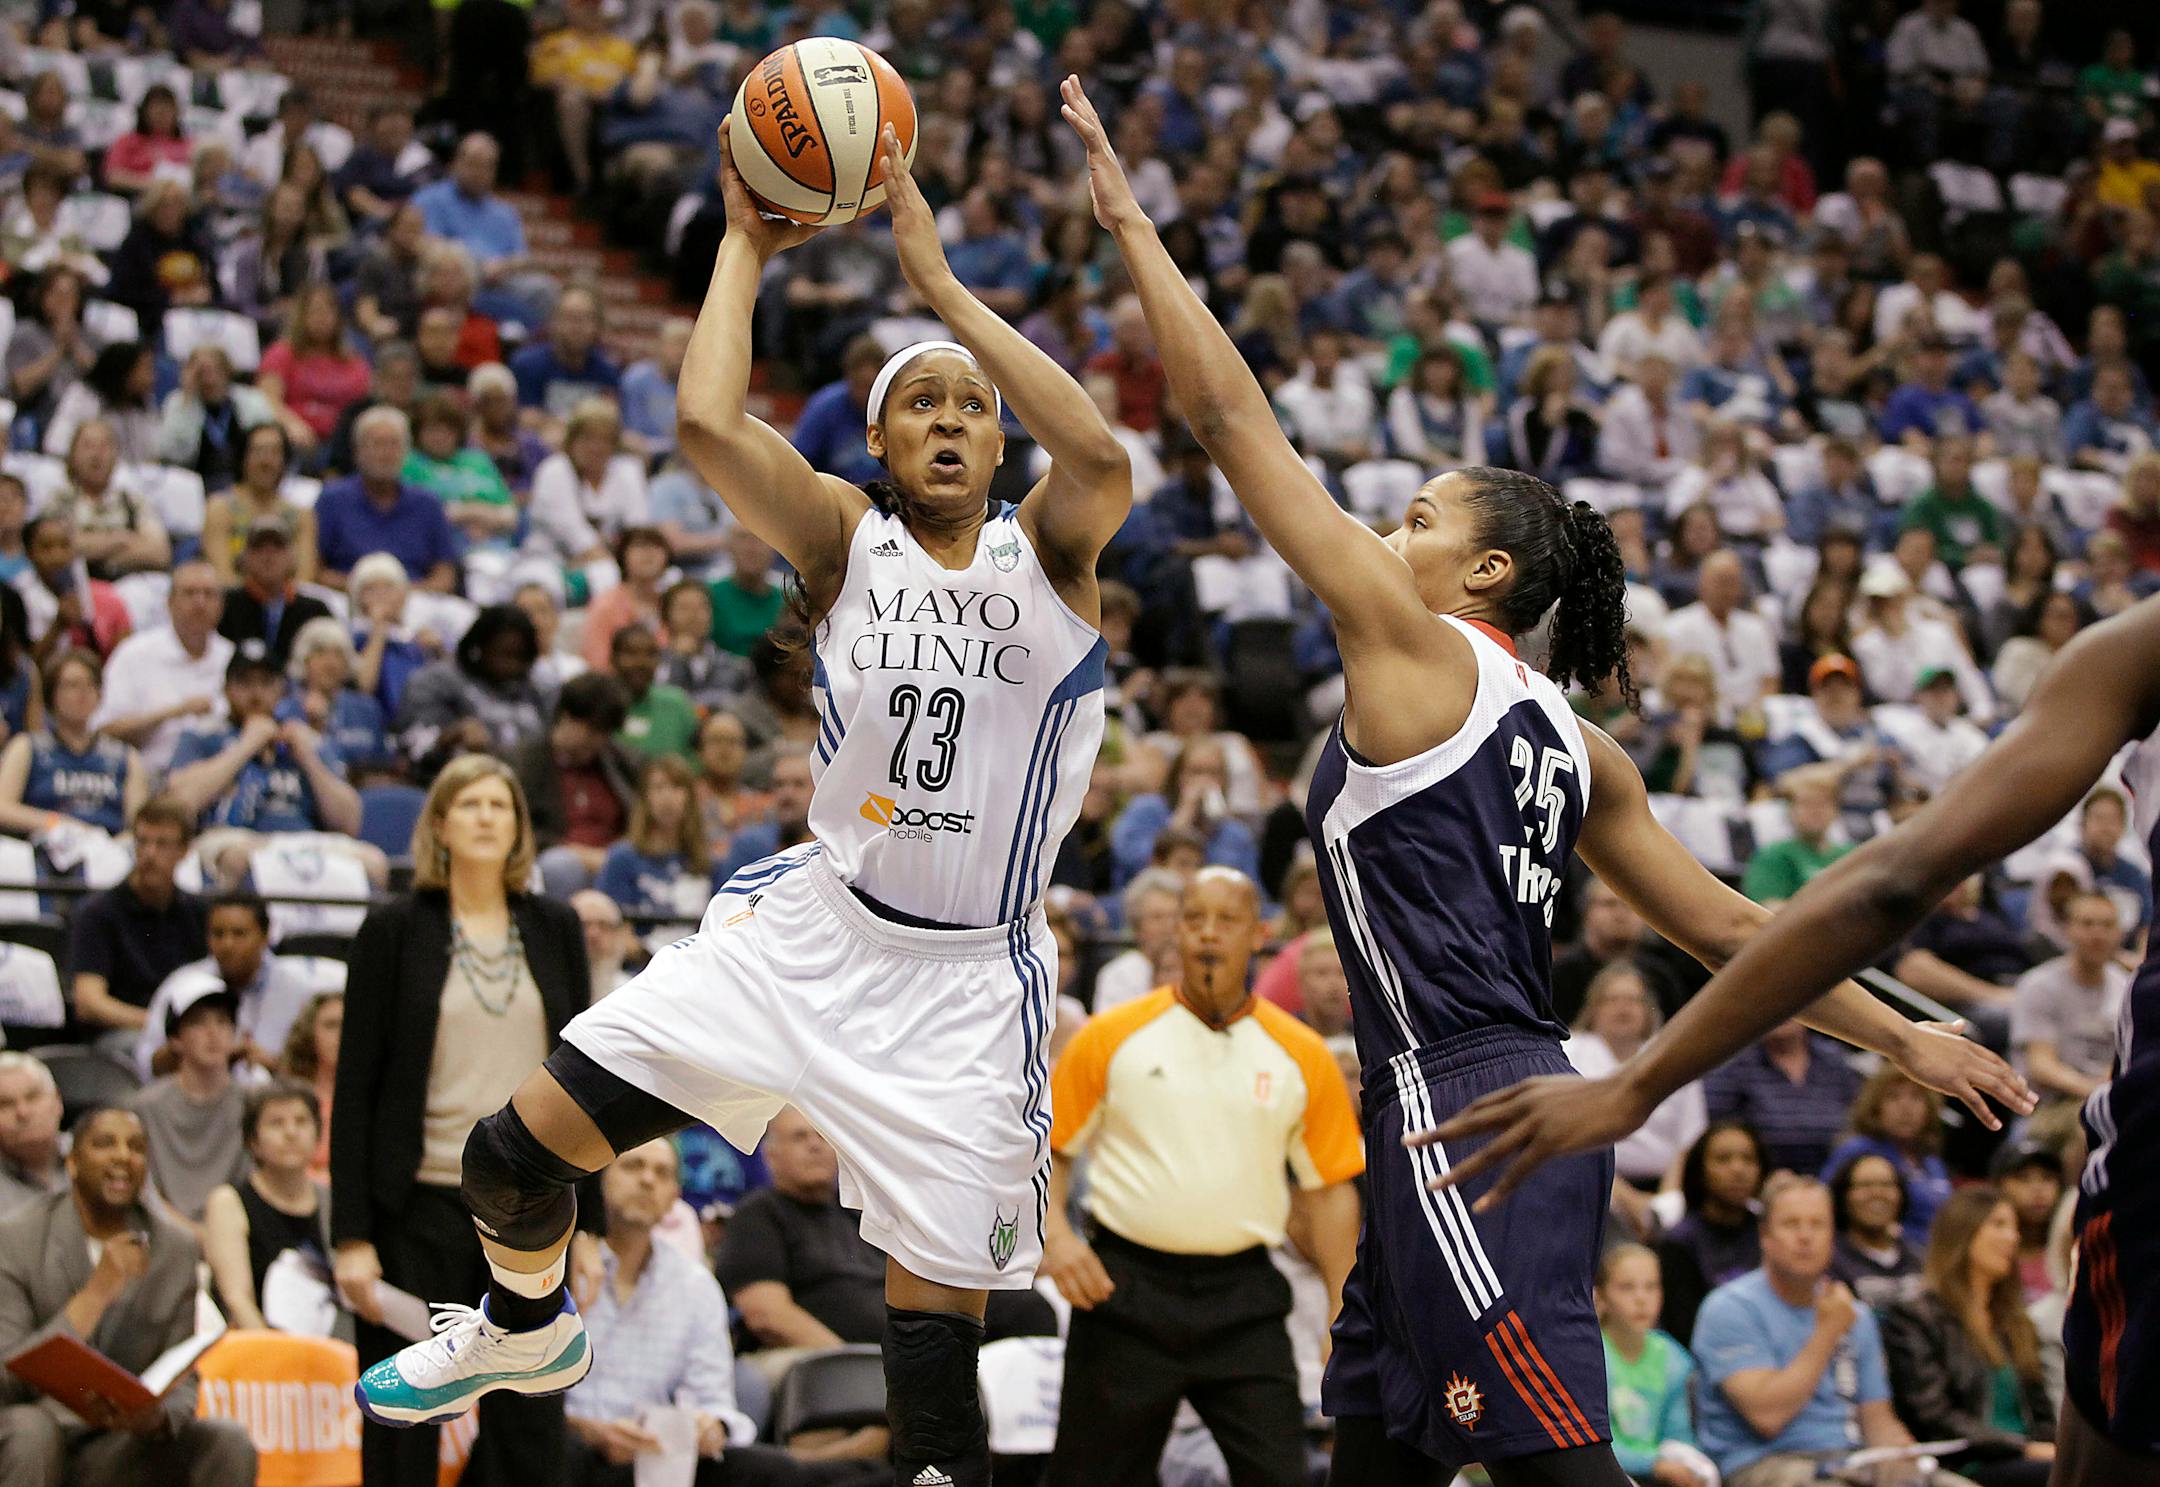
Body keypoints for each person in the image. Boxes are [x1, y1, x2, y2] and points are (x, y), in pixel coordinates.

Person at [1064, 77, 2012, 1487]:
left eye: (1422, 517)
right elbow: (1743, 934)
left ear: (1485, 575)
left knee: (1565, 1466)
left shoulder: (1408, 645)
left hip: (1467, 1113)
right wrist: (1912, 1037)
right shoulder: (1580, 739)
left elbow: (1225, 415)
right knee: (1377, 1453)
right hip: (1453, 1106)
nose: (1392, 528)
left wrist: (1130, 215)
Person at [353, 115, 1133, 1487]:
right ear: (880, 441)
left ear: (998, 439)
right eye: (923, 402)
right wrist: (741, 242)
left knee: (933, 1372)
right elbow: (708, 421)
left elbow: (1109, 456)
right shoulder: (847, 541)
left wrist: (946, 295)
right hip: (811, 934)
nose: (953, 418)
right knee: (509, 1152)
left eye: (971, 404)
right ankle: (525, 1325)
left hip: (963, 989)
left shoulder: (1049, 555)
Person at [1042, 867, 1362, 1487]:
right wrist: (1055, 1235)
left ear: (1260, 934)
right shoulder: (1110, 1036)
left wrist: (1338, 1311)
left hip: (1244, 1295)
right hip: (1123, 1288)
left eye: (1226, 920)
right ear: (1174, 937)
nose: (1208, 934)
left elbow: (1328, 1193)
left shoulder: (1302, 1053)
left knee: (1281, 1477)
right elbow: (1050, 1153)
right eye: (1193, 920)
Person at [331, 756, 589, 1485]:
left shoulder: (556, 925)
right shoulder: (393, 929)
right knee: (404, 1427)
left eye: (500, 805)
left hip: (532, 1213)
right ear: (439, 824)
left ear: (518, 828)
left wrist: (589, 1227)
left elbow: (585, 1082)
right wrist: (351, 1235)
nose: (485, 816)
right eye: (468, 803)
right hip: (415, 1209)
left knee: (531, 1426)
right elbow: (356, 1089)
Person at [566, 1137, 881, 1486]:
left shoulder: (694, 1284)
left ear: (675, 1197)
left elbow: (713, 1400)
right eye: (633, 1166)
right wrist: (589, 1432)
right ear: (600, 1180)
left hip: (655, 1455)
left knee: (773, 1471)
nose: (647, 1180)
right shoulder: (563, 1267)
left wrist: (710, 1426)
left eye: (662, 1172)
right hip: (567, 1445)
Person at [0, 1105, 258, 1487]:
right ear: (71, 1162)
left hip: (121, 1444)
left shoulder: (175, 1248)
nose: (123, 1156)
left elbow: (183, 1376)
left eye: (136, 1147)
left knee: (227, 1442)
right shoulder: (17, 1238)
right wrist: (96, 1293)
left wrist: (154, 1417)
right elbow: (5, 1376)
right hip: (36, 1433)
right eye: (105, 1144)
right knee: (31, 1430)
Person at [1690, 1175, 1954, 1487]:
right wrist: (1827, 1332)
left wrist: (1901, 1452)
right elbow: (1768, 1417)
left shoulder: (1854, 1314)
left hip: (1852, 1459)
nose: (1805, 1236)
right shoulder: (1730, 1308)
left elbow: (1876, 1418)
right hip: (1765, 1464)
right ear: (1765, 1236)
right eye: (1791, 1224)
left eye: (1817, 1225)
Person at [1882, 1187, 2057, 1487]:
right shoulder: (1916, 1317)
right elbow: (1933, 1416)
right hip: (1967, 1461)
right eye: (1998, 1224)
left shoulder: (2016, 1321)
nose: (2012, 1237)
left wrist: (2054, 1449)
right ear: (1962, 1232)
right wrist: (2023, 1448)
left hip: (2028, 1458)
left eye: (2014, 1227)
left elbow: (2041, 1412)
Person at [136, 890, 318, 1081]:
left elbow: (316, 1070)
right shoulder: (181, 985)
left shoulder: (297, 991)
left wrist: (273, 1064)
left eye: (239, 934)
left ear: (266, 935)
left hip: (275, 1099)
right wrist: (187, 1051)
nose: (227, 944)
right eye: (218, 934)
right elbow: (147, 1064)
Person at [67, 798, 207, 1044]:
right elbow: (89, 1003)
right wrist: (157, 1024)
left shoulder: (197, 913)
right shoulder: (97, 913)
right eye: (142, 842)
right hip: (120, 1035)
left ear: (184, 850)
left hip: (184, 1033)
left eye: (162, 844)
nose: (149, 854)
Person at [202, 1081, 327, 1333]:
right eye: (276, 1123)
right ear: (253, 1141)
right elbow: (237, 1299)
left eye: (301, 1121)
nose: (291, 1132)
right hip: (259, 1349)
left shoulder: (331, 1200)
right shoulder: (228, 1202)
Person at [128, 970, 250, 1227]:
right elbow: (143, 1189)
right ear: (175, 1038)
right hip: (162, 1234)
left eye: (222, 1021)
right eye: (198, 1023)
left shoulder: (253, 1103)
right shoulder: (145, 1107)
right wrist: (193, 1235)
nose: (213, 1033)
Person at [90, 560, 233, 776]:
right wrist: (174, 712)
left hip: (222, 781)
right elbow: (103, 731)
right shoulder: (135, 654)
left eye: (209, 594)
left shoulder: (232, 658)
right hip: (148, 779)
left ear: (222, 605)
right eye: (190, 593)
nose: (200, 603)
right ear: (169, 603)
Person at [0, 649, 146, 858]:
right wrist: (58, 823)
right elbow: (3, 808)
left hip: (109, 852)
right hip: (45, 851)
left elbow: (140, 822)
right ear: (53, 694)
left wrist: (117, 843)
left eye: (90, 685)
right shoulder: (27, 747)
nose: (82, 693)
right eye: (72, 685)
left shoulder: (125, 756)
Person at [513, 671, 639, 898]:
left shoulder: (620, 763)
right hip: (556, 859)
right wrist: (578, 853)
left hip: (614, 859)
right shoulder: (525, 763)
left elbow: (639, 817)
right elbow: (519, 829)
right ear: (566, 717)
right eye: (592, 731)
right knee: (560, 867)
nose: (599, 741)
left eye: (606, 734)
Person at [1594, 1245, 1710, 1487]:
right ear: (1600, 1297)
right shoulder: (1591, 1355)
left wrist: (1685, 1467)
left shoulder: (1674, 1357)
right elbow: (1594, 1443)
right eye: (1627, 1287)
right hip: (1606, 1469)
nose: (1641, 1298)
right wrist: (1654, 1464)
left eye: (1651, 1287)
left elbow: (1679, 1437)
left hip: (1660, 1470)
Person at [2008, 890, 2128, 1113]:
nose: (2098, 934)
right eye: (2087, 924)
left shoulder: (2126, 986)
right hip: (2052, 1106)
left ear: (2120, 933)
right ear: (2067, 930)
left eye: (2107, 925)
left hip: (2110, 1098)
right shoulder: (2039, 985)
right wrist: (2097, 1090)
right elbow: (2041, 1066)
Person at [1658, 1121, 1766, 1345]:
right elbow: (1683, 1331)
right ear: (1699, 1171)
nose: (1738, 1169)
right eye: (1723, 1159)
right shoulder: (1678, 1243)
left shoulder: (1770, 1233)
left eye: (1748, 1159)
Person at [1821, 1069, 1953, 1240]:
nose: (1906, 1108)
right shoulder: (1857, 1151)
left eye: (1916, 1098)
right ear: (1875, 1107)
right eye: (1893, 1098)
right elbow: (1824, 1204)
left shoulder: (1931, 1161)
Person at [217, 518, 333, 670]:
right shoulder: (224, 605)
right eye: (259, 547)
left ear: (292, 556)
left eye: (278, 547)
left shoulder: (314, 610)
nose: (268, 556)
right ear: (244, 557)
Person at [1827, 1152, 1925, 1312]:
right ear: (1844, 1196)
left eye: (1886, 1185)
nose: (1877, 1193)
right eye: (1865, 1185)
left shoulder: (1920, 1258)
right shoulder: (1829, 1262)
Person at [281, 992, 342, 1182]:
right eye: (331, 1025)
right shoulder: (285, 1094)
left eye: (349, 1025)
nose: (341, 1034)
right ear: (309, 1033)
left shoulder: (376, 1100)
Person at [0, 1054, 65, 1219]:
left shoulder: (97, 1157)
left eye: (33, 1097)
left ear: (57, 1101)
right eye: (5, 1104)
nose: (23, 1112)